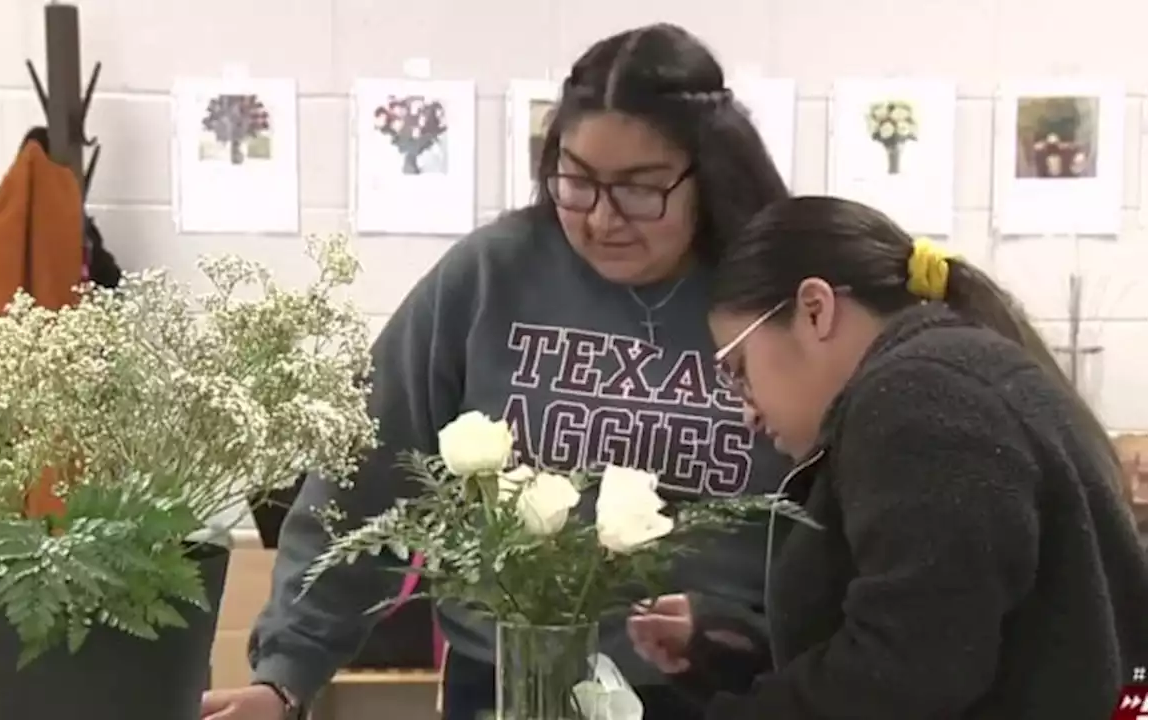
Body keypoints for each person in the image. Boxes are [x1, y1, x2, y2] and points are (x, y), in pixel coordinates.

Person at [201, 22, 792, 720]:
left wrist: (742, 634)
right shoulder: (489, 278)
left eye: (640, 189)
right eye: (576, 180)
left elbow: (844, 518)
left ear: (709, 171)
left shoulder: (775, 291)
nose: (602, 219)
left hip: (726, 691)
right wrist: (284, 675)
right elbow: (360, 481)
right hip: (509, 687)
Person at [628, 196, 1149, 718]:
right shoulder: (952, 373)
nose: (747, 411)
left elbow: (908, 671)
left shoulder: (920, 398)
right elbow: (937, 630)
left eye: (739, 369)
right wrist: (730, 644)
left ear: (815, 309)